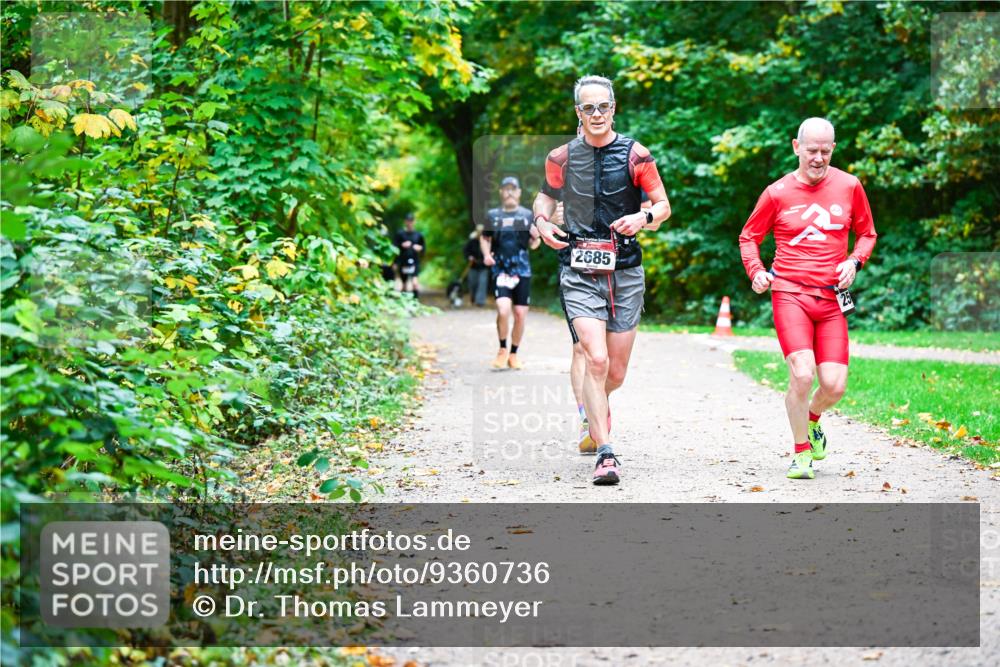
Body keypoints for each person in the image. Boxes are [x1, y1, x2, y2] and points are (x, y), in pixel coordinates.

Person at [533, 75, 671, 485]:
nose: (596, 114)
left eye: (603, 106)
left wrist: (643, 216)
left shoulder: (636, 155)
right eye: (588, 108)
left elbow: (663, 205)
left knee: (615, 372)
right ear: (578, 112)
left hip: (625, 270)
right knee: (594, 358)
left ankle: (592, 412)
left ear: (614, 108)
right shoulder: (560, 157)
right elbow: (545, 198)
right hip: (578, 270)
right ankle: (605, 453)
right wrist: (541, 221)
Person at [739, 117, 877, 480]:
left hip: (832, 300)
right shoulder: (777, 192)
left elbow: (867, 234)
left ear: (833, 149)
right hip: (790, 294)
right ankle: (801, 453)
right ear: (796, 147)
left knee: (833, 385)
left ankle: (813, 419)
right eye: (812, 150)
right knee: (802, 375)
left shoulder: (849, 186)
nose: (818, 158)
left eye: (826, 151)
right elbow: (748, 237)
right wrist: (756, 271)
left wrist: (854, 261)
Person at [482, 176, 540, 370]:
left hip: (522, 270)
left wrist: (536, 239)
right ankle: (502, 349)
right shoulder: (493, 215)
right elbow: (485, 237)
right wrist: (486, 255)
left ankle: (514, 353)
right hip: (501, 269)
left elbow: (535, 240)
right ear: (501, 192)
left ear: (519, 192)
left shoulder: (526, 215)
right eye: (506, 189)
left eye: (513, 189)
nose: (509, 193)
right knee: (503, 309)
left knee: (520, 313)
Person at [394, 212, 425, 299]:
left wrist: (419, 248)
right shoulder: (400, 234)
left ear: (414, 222)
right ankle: (404, 303)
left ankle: (415, 303)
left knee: (415, 283)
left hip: (415, 261)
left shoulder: (418, 235)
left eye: (411, 221)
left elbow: (423, 248)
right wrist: (402, 245)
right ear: (405, 221)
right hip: (403, 261)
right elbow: (394, 248)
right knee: (403, 284)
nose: (410, 223)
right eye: (408, 221)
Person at [463, 225, 489, 307]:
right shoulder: (472, 241)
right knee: (473, 283)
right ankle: (473, 298)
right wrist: (469, 257)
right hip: (473, 266)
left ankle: (480, 301)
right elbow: (465, 251)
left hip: (483, 266)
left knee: (482, 283)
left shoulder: (487, 241)